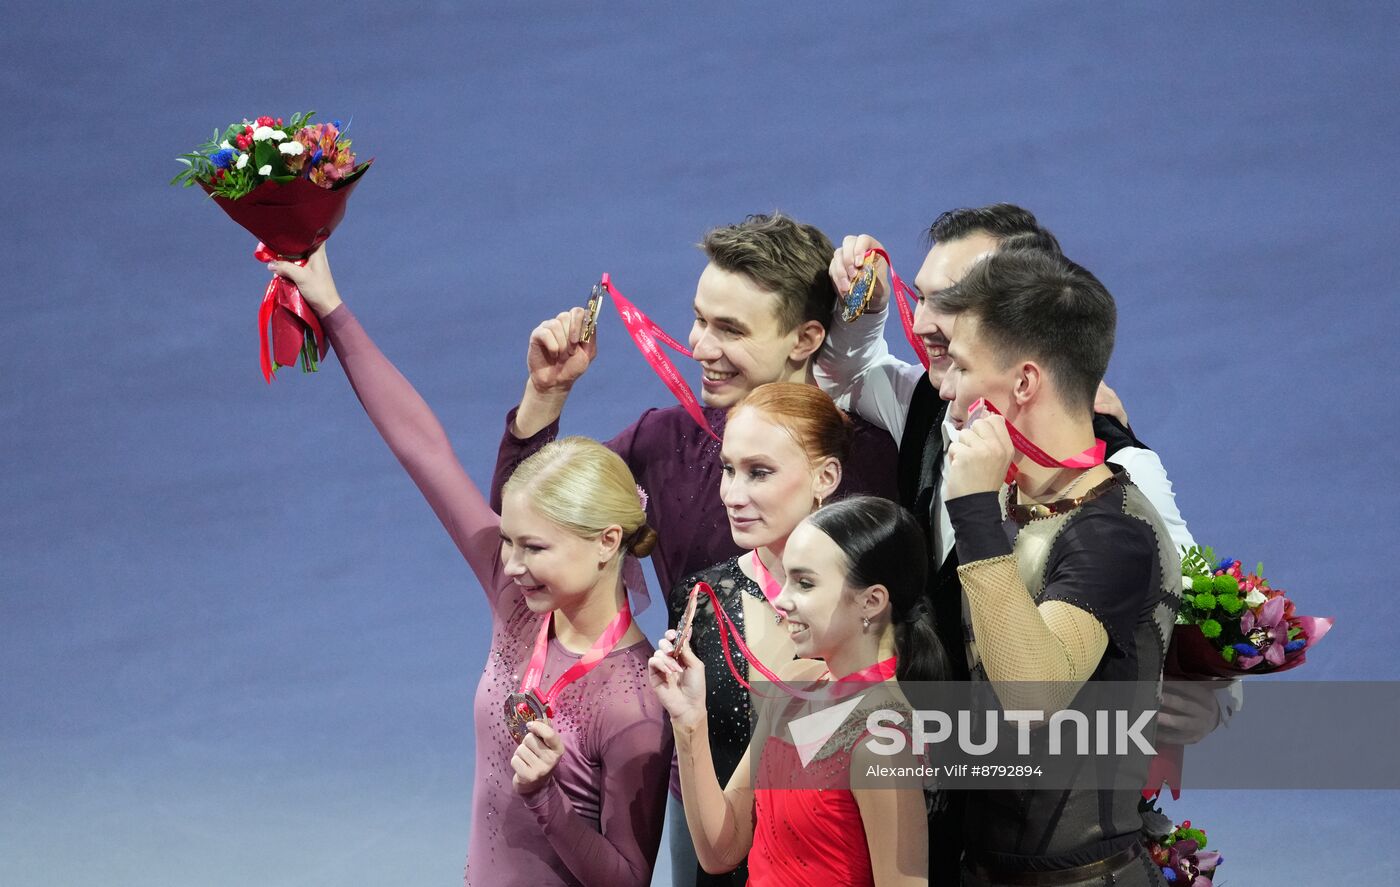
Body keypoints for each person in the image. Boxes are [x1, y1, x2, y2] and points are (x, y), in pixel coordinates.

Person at [266, 248, 672, 887]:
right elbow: (423, 449)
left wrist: (548, 801)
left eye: (533, 547)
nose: (509, 562)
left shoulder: (635, 702)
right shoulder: (518, 602)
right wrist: (331, 306)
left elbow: (628, 879)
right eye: (507, 540)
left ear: (607, 541)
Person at [491, 212, 899, 598]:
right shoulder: (664, 443)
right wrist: (546, 393)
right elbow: (521, 526)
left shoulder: (875, 458)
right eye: (701, 320)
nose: (699, 347)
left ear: (805, 339)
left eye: (730, 330)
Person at [939, 247, 1180, 885]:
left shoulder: (1117, 533)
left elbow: (1030, 697)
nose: (949, 390)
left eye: (961, 368)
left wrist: (972, 515)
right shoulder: (1006, 499)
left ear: (1022, 384)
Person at [668, 381, 900, 886]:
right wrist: (688, 724)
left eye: (760, 473)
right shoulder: (701, 601)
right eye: (728, 469)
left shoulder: (879, 607)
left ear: (826, 476)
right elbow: (718, 844)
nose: (732, 493)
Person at [651, 496, 941, 887]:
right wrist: (688, 720)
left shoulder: (883, 742)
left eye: (804, 583)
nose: (782, 600)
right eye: (786, 578)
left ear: (871, 601)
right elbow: (720, 852)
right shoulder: (795, 682)